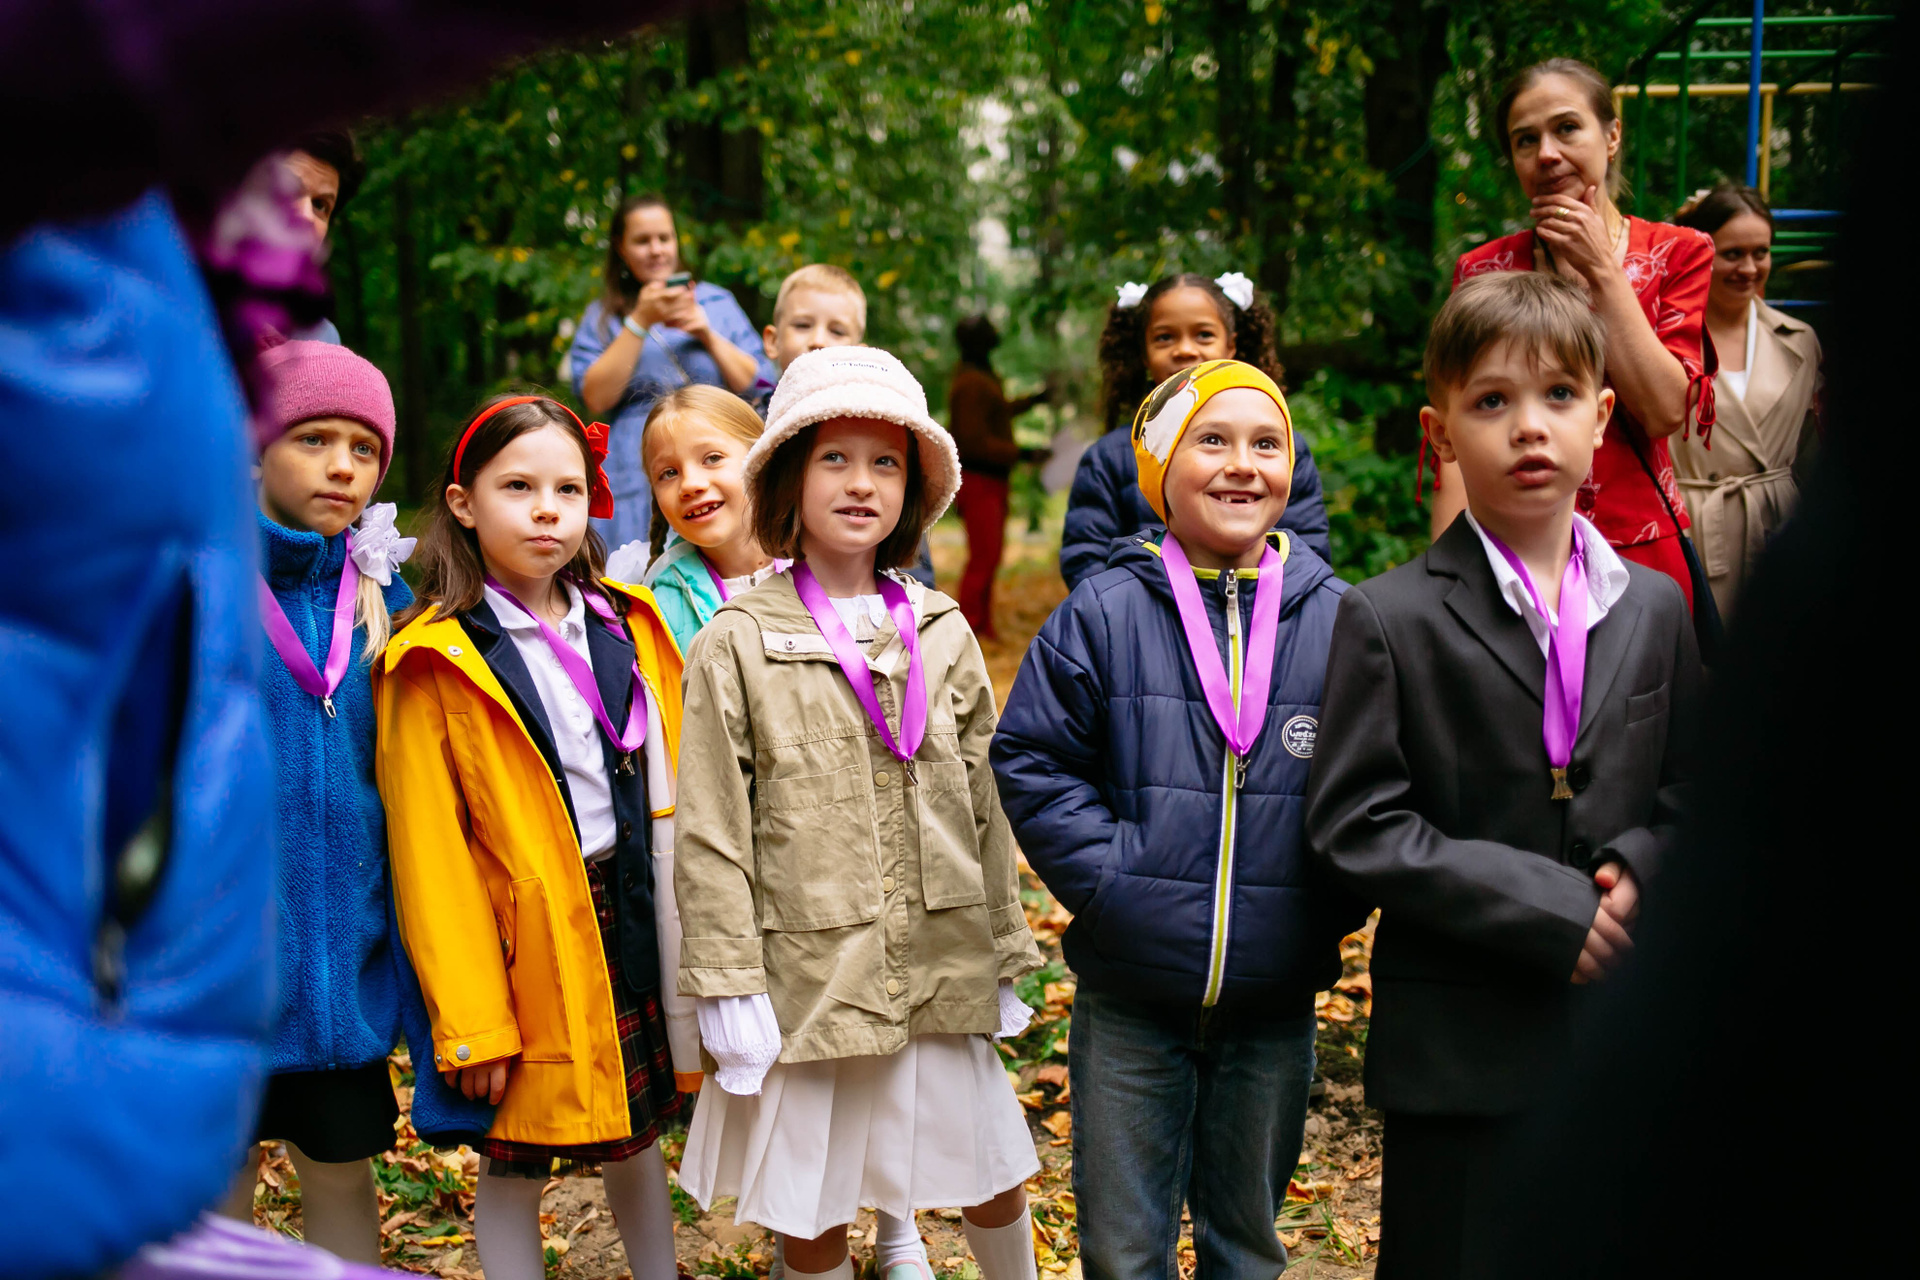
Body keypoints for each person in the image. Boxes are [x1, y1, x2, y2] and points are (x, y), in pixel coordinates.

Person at [1305, 271, 1701, 1278]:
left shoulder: (1656, 606)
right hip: (1460, 1055)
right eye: (1492, 400)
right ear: (1439, 433)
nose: (1529, 426)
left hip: (1620, 1042)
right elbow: (1357, 822)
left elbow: (1699, 787)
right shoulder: (1387, 615)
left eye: (1558, 395)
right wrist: (1544, 905)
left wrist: (1642, 862)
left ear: (1601, 417)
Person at [672, 346, 1045, 1280]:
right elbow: (711, 832)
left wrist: (1004, 945)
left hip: (938, 958)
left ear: (912, 490)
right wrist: (729, 985)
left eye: (886, 463)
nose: (861, 483)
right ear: (788, 479)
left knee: (992, 1174)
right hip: (812, 975)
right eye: (834, 458)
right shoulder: (735, 643)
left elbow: (985, 803)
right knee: (815, 1204)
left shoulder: (943, 629)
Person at [993, 359, 1362, 1280]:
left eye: (1266, 443)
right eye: (1213, 441)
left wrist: (1323, 905)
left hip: (1274, 997)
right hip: (1131, 993)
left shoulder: (1338, 620)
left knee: (1247, 1244)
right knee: (1124, 1250)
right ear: (1161, 470)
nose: (1242, 463)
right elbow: (1033, 758)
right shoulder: (1104, 611)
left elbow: (1372, 784)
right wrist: (1113, 883)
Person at [377, 395, 694, 1280]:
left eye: (568, 488)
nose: (547, 510)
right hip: (523, 943)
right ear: (463, 503)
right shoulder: (429, 658)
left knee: (636, 1135)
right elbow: (430, 860)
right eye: (518, 487)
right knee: (514, 1157)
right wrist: (474, 1023)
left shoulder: (629, 621)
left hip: (631, 910)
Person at [216, 338, 413, 1261]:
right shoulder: (201, 583)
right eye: (313, 439)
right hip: (220, 979)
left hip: (344, 978)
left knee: (340, 1171)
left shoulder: (386, 594)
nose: (343, 466)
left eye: (364, 448)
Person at [1435, 57, 1717, 614]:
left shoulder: (1678, 253)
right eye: (1526, 139)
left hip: (1640, 551)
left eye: (1566, 128)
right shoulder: (1484, 269)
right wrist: (1445, 575)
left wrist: (1602, 272)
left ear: (1611, 136)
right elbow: (1457, 431)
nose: (1547, 153)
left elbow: (1665, 410)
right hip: (1509, 553)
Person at [1062, 272, 1330, 588]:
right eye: (1165, 337)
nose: (1185, 350)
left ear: (1231, 346)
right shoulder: (1108, 458)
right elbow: (1086, 558)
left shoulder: (1284, 449)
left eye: (1203, 335)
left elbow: (1308, 549)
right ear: (1144, 353)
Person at [570, 195, 776, 547]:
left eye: (664, 238)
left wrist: (707, 334)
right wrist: (640, 321)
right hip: (635, 469)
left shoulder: (716, 302)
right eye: (642, 240)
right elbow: (595, 398)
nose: (656, 250)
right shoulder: (605, 317)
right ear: (621, 248)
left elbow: (762, 383)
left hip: (717, 457)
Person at [1669, 183, 1822, 618]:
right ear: (1702, 254)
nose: (1749, 268)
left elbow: (1811, 453)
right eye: (1733, 254)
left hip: (1777, 530)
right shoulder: (1665, 342)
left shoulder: (1800, 340)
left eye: (1761, 252)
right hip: (1694, 529)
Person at [757, 263, 937, 590]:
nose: (818, 340)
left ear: (860, 352)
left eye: (837, 331)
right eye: (802, 325)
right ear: (772, 340)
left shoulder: (883, 423)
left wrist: (914, 603)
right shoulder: (746, 431)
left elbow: (909, 549)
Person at [637, 385, 783, 653]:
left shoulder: (827, 566)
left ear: (761, 460)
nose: (690, 484)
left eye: (712, 458)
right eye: (669, 473)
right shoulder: (658, 608)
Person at [948, 315, 1047, 637]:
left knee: (990, 556)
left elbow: (997, 413)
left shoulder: (980, 376)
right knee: (984, 557)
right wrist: (1023, 453)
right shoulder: (970, 382)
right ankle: (968, 627)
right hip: (979, 481)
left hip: (991, 481)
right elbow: (972, 441)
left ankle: (982, 625)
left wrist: (1033, 400)